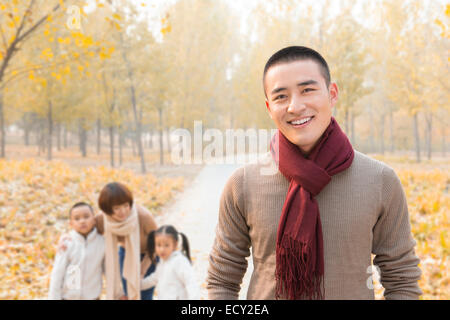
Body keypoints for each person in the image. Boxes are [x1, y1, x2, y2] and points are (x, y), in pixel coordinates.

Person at [207, 46, 422, 300]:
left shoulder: (380, 181)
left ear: (332, 94)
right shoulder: (243, 184)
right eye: (281, 97)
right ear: (269, 107)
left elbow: (402, 278)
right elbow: (222, 280)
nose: (295, 106)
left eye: (307, 90)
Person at [96, 182, 158, 300]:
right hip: (126, 254)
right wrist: (66, 239)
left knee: (143, 295)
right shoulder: (102, 219)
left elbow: (156, 244)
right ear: (107, 210)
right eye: (117, 208)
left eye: (125, 205)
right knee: (129, 295)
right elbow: (88, 233)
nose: (123, 211)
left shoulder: (143, 216)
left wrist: (142, 270)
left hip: (149, 256)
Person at [48, 202, 105, 300]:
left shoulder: (102, 242)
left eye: (86, 217)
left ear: (94, 220)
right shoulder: (67, 243)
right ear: (71, 223)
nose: (82, 221)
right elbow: (57, 274)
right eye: (77, 218)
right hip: (68, 297)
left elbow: (108, 271)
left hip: (92, 297)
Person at [140, 225, 200, 300]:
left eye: (166, 245)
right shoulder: (162, 263)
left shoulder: (179, 261)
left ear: (175, 245)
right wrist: (137, 285)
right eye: (158, 245)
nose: (162, 249)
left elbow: (191, 283)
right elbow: (153, 279)